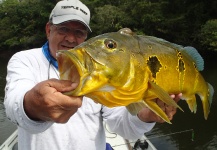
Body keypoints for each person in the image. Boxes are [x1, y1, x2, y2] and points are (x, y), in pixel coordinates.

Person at [4, 0, 181, 150]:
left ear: (86, 37)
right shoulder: (25, 60)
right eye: (64, 29)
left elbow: (120, 124)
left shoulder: (101, 70)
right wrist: (33, 106)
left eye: (79, 32)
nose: (71, 39)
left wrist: (146, 116)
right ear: (49, 30)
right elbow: (13, 105)